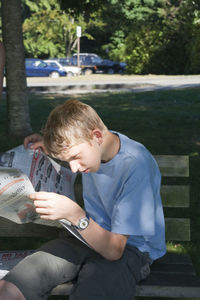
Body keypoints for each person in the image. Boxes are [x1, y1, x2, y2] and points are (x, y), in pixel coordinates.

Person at [0, 99, 166, 300]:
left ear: (96, 136)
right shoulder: (91, 143)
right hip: (84, 237)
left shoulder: (136, 165)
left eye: (76, 157)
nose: (74, 168)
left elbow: (115, 251)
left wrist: (75, 215)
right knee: (10, 288)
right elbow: (74, 139)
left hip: (128, 249)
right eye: (68, 159)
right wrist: (49, 144)